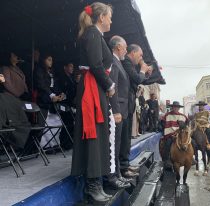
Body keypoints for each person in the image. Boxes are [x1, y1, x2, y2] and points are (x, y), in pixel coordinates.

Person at [71, 3, 115, 203]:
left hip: (94, 87)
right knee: (93, 134)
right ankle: (92, 185)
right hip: (93, 88)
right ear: (101, 18)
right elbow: (96, 65)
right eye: (109, 17)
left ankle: (95, 182)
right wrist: (110, 85)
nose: (111, 21)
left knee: (97, 134)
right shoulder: (93, 34)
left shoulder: (94, 34)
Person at [120, 44, 151, 177]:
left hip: (129, 106)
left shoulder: (131, 65)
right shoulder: (126, 62)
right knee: (123, 140)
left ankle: (125, 165)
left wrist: (146, 73)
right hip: (123, 107)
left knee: (126, 139)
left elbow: (140, 81)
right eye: (140, 55)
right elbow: (138, 79)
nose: (141, 58)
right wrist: (143, 70)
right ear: (133, 53)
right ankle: (122, 168)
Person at [107, 35, 131, 188]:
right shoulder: (113, 62)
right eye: (125, 47)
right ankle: (114, 176)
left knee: (119, 143)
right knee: (114, 145)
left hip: (122, 109)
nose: (126, 51)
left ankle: (118, 174)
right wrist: (116, 110)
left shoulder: (118, 62)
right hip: (117, 110)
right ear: (118, 47)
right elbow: (112, 90)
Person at [161, 101, 189, 169]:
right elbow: (163, 123)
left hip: (180, 134)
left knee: (192, 142)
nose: (175, 108)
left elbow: (187, 124)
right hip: (170, 134)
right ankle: (167, 160)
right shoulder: (167, 115)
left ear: (179, 108)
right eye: (174, 107)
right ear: (172, 107)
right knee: (167, 143)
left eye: (177, 107)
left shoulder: (183, 116)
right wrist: (167, 130)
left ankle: (191, 158)